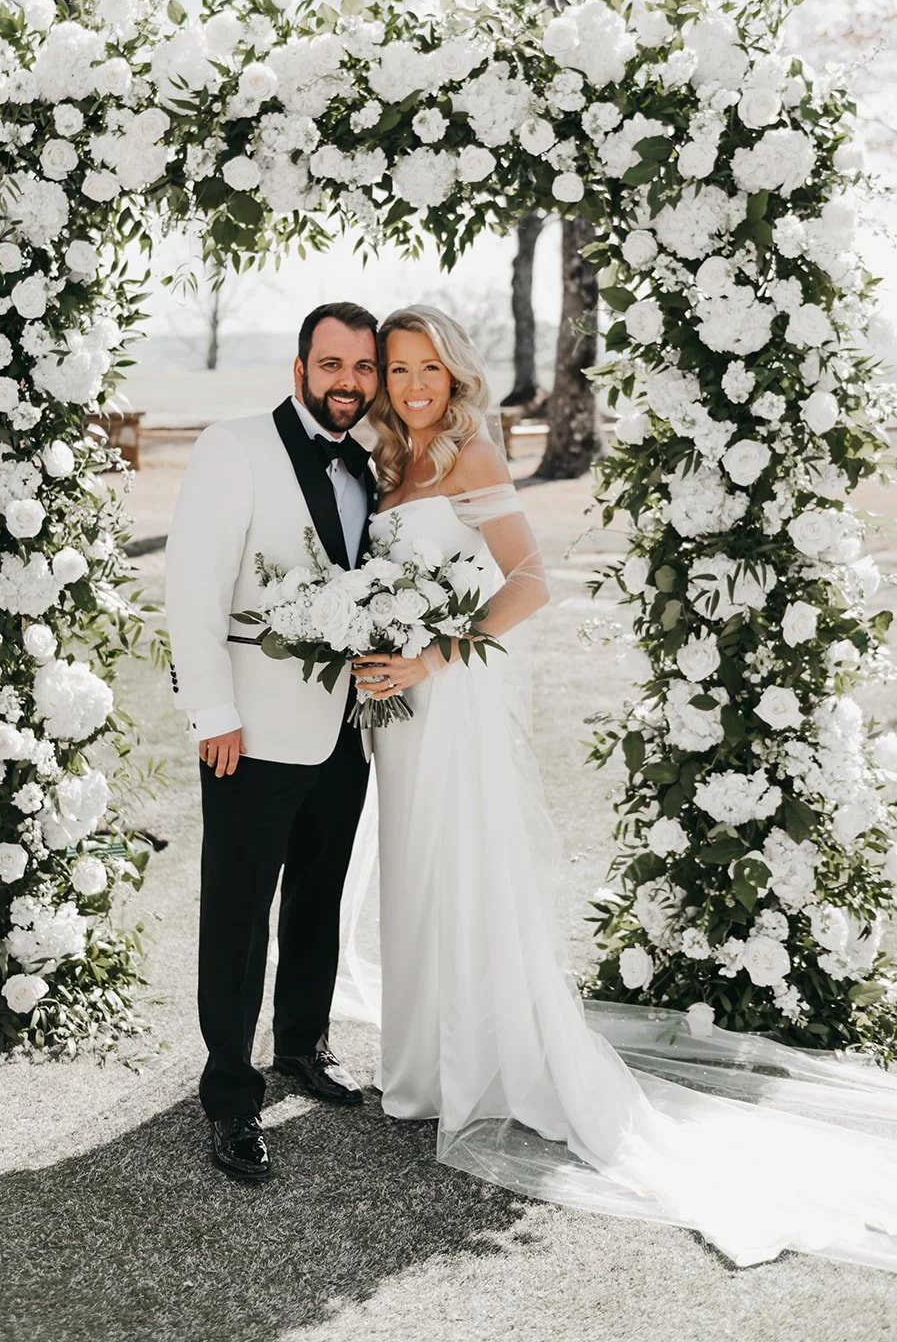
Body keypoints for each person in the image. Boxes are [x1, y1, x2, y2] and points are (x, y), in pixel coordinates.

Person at [349, 303, 897, 1270]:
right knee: (414, 870)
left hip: (450, 700)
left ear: (453, 371)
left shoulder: (470, 456)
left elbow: (527, 581)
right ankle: (424, 1065)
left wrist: (432, 655)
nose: (411, 385)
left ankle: (477, 1063)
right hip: (398, 716)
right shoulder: (390, 463)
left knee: (460, 864)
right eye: (396, 370)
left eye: (425, 367)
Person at [165, 301, 379, 1182]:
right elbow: (191, 584)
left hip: (346, 727)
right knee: (239, 912)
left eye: (363, 369)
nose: (349, 384)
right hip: (247, 730)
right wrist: (212, 713)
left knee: (318, 895)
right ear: (299, 370)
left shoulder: (372, 463)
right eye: (333, 366)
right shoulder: (236, 446)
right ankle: (228, 1093)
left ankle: (300, 1046)